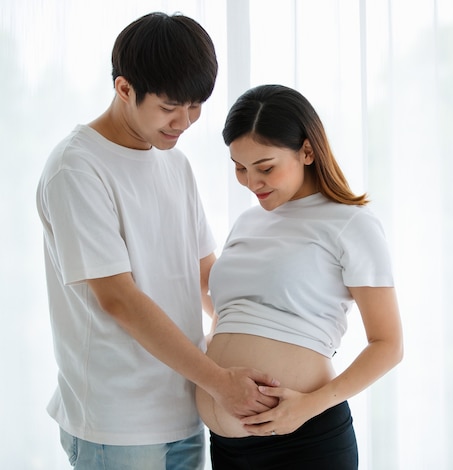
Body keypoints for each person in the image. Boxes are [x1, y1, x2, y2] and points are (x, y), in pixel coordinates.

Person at [36, 13, 279, 469]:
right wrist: (221, 381)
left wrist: (267, 346)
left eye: (195, 106)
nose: (184, 121)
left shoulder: (175, 164)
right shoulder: (77, 168)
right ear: (125, 89)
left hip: (186, 409)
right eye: (170, 107)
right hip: (117, 424)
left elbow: (205, 277)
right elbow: (119, 300)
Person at [196, 84, 404, 469]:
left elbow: (388, 345)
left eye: (266, 167)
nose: (252, 183)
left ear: (307, 151)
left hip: (303, 441)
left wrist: (307, 406)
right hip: (227, 448)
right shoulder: (248, 221)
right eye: (240, 168)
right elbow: (232, 312)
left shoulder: (351, 223)